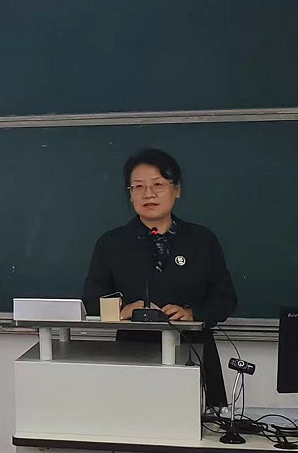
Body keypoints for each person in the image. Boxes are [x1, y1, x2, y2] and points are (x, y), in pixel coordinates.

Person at [81, 148, 238, 408]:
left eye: (158, 185)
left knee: (195, 426)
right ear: (130, 194)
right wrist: (122, 310)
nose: (149, 194)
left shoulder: (202, 241)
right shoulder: (112, 243)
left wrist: (192, 313)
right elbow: (91, 299)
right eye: (138, 186)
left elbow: (225, 299)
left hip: (193, 351)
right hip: (132, 354)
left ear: (176, 190)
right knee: (134, 419)